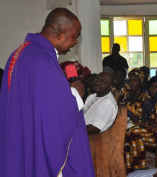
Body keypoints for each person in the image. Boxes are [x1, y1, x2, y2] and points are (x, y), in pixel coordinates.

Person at [0, 8, 95, 177]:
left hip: (21, 138)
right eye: (74, 37)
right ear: (60, 34)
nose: (75, 43)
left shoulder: (19, 53)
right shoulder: (42, 59)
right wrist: (75, 93)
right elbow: (56, 112)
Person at [124, 68, 151, 173]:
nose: (132, 83)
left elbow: (145, 121)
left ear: (141, 81)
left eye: (135, 80)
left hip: (140, 126)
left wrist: (128, 113)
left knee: (130, 133)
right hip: (129, 124)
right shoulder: (129, 96)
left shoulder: (145, 98)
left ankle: (141, 167)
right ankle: (129, 169)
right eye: (130, 80)